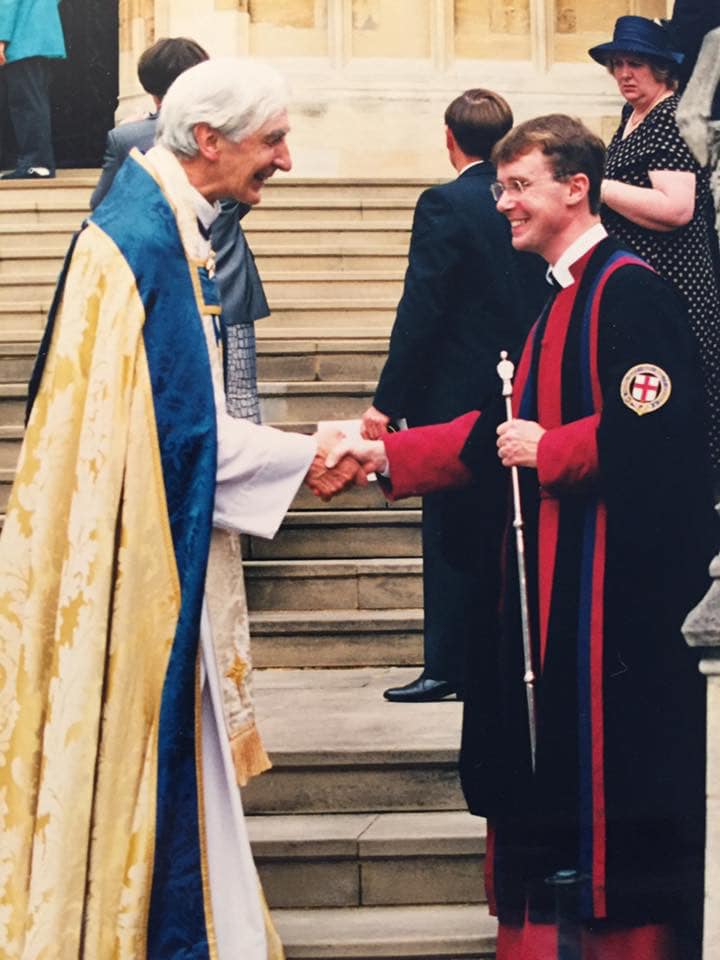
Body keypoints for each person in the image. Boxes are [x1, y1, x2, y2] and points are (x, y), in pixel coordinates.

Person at [327, 114, 718, 959]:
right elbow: (492, 432)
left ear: (575, 188)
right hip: (552, 591)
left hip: (613, 605)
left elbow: (666, 434)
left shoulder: (632, 290)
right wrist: (381, 454)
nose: (501, 203)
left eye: (517, 187)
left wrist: (559, 450)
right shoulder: (557, 300)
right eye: (499, 186)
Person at [0, 57, 364, 959]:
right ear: (208, 140)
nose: (287, 159)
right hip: (141, 581)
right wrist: (323, 448)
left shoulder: (162, 220)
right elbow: (185, 442)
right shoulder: (148, 245)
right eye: (272, 139)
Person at [361, 89, 546, 703]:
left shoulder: (446, 202)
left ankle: (448, 665)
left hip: (455, 394)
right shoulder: (519, 199)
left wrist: (387, 401)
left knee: (449, 535)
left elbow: (424, 305)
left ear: (449, 137)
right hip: (520, 384)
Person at [90, 36, 269, 423]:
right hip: (228, 280)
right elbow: (238, 202)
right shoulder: (230, 134)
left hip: (162, 288)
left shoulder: (127, 138)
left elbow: (104, 209)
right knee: (238, 403)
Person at [589, 15, 720, 481]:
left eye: (636, 64)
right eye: (618, 64)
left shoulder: (669, 117)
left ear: (662, 70)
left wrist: (598, 188)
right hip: (641, 285)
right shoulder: (632, 117)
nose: (625, 73)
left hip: (674, 288)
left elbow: (677, 207)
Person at [0, 0, 65, 179]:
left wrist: (1, 38)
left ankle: (37, 163)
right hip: (38, 38)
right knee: (33, 102)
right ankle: (38, 163)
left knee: (26, 104)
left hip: (22, 39)